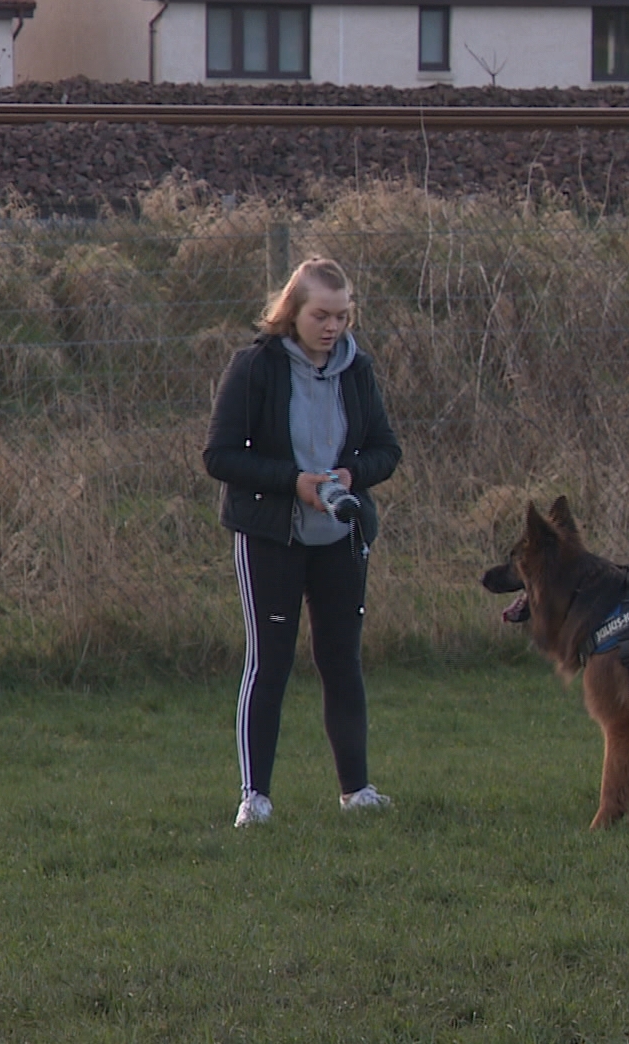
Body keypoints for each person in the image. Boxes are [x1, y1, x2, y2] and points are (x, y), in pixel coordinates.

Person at [202, 256, 402, 828]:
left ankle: (356, 791)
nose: (333, 327)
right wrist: (294, 484)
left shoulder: (357, 369)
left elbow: (387, 449)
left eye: (342, 315)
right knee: (270, 662)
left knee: (342, 661)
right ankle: (255, 797)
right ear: (292, 312)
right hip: (271, 537)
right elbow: (220, 456)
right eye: (321, 315)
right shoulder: (254, 368)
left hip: (341, 537)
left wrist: (350, 477)